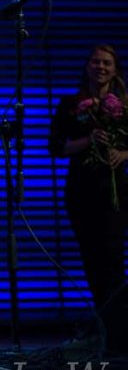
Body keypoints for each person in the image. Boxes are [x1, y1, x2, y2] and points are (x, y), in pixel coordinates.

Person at [48, 44, 128, 351]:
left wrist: (123, 153)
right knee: (93, 260)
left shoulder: (124, 105)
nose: (101, 67)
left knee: (113, 259)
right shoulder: (71, 104)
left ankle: (117, 332)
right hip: (82, 191)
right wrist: (87, 140)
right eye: (95, 62)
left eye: (107, 62)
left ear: (115, 69)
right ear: (87, 67)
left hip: (115, 190)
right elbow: (56, 147)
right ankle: (106, 329)